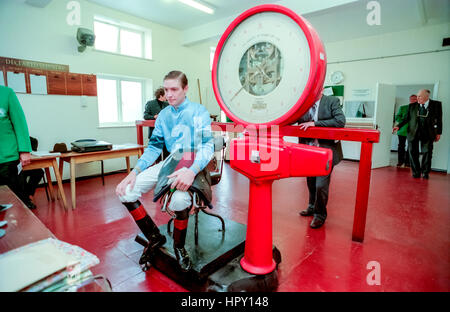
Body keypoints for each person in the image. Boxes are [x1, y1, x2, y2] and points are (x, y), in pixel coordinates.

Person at [116, 71, 214, 271]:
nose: (169, 94)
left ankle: (179, 247)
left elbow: (207, 146)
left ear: (185, 89)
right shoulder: (163, 116)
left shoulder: (199, 111)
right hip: (171, 161)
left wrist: (192, 171)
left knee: (179, 200)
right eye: (166, 89)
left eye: (174, 89)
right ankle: (155, 237)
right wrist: (134, 172)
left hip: (195, 160)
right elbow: (154, 147)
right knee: (126, 192)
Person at [297, 91, 346, 229]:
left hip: (326, 151)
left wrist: (315, 123)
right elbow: (292, 119)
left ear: (322, 88)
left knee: (320, 186)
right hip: (308, 151)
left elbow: (340, 121)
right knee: (311, 183)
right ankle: (311, 207)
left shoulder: (332, 101)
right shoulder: (303, 104)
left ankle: (320, 215)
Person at [393, 89, 442, 179]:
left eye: (420, 96)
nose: (417, 98)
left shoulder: (436, 105)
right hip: (413, 132)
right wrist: (398, 126)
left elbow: (439, 119)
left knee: (427, 153)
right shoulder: (411, 106)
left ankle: (425, 172)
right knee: (412, 153)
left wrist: (439, 133)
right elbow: (406, 118)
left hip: (428, 133)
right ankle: (416, 172)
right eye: (417, 96)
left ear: (427, 97)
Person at [0, 85, 33, 208]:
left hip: (7, 157)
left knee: (15, 203)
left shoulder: (6, 93)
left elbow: (19, 122)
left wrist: (24, 150)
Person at [21, 137, 45, 209]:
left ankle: (29, 194)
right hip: (17, 165)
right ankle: (25, 197)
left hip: (28, 163)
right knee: (20, 175)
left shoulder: (30, 140)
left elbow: (34, 145)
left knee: (39, 172)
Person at [394, 94, 417, 167]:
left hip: (413, 131)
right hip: (402, 130)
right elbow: (397, 117)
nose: (413, 100)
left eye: (415, 99)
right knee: (401, 146)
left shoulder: (419, 109)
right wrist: (403, 122)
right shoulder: (403, 107)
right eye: (412, 99)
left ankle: (407, 162)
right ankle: (400, 161)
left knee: (410, 147)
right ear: (410, 99)